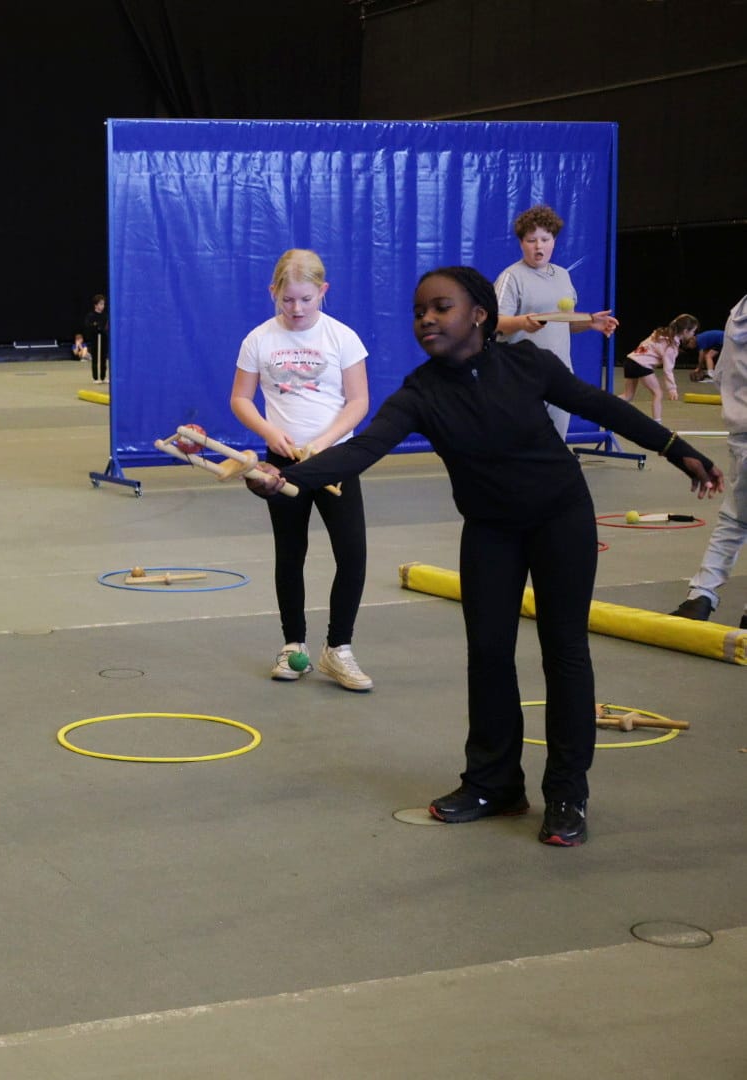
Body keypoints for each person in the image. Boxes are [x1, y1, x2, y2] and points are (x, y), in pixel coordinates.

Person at [244, 266, 722, 847]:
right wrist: (285, 478)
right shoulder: (420, 393)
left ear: (479, 315)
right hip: (490, 530)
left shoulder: (527, 365)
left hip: (559, 519)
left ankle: (567, 793)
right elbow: (364, 449)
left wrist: (677, 448)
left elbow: (603, 407)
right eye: (419, 311)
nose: (426, 319)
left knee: (564, 652)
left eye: (440, 308)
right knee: (489, 655)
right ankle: (494, 784)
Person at [229, 249, 374, 691]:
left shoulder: (342, 337)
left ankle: (339, 649)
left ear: (323, 292)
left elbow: (359, 402)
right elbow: (240, 398)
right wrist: (269, 432)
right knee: (290, 553)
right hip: (283, 464)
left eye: (306, 299)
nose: (296, 309)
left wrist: (324, 443)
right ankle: (293, 646)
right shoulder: (258, 339)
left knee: (352, 553)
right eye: (287, 299)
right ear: (273, 292)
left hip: (335, 457)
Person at [492, 204, 619, 440]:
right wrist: (522, 322)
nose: (538, 246)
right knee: (520, 446)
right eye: (531, 240)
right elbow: (494, 322)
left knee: (555, 446)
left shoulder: (563, 275)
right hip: (520, 377)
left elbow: (565, 322)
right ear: (521, 243)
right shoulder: (511, 277)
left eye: (545, 239)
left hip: (560, 376)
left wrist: (590, 322)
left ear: (554, 241)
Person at [671, 294, 747, 626]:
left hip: (741, 429)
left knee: (735, 517)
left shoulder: (738, 313)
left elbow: (726, 372)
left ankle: (701, 595)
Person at [618, 314, 697, 422]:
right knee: (658, 394)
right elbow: (668, 369)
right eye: (693, 331)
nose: (693, 334)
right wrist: (672, 388)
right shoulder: (671, 346)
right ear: (685, 331)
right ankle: (657, 424)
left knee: (627, 395)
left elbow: (643, 344)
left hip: (630, 360)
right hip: (641, 365)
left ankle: (605, 404)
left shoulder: (659, 333)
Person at [84, 294, 109, 383]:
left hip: (104, 338)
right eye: (101, 304)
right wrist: (95, 326)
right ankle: (96, 378)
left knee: (103, 358)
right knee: (95, 358)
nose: (103, 306)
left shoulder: (105, 315)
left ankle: (103, 377)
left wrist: (105, 328)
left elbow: (106, 326)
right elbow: (88, 325)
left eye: (103, 304)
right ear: (95, 305)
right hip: (95, 339)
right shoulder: (91, 315)